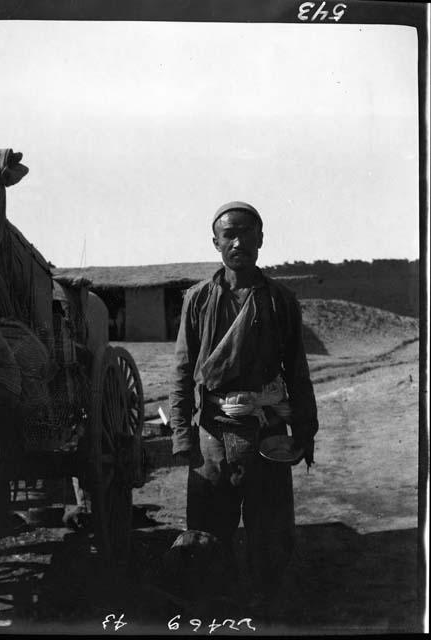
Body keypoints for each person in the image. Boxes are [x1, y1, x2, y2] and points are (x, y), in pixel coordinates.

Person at [169, 201, 318, 613]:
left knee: (269, 530)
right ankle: (215, 604)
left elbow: (298, 373)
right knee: (208, 530)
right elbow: (183, 371)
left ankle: (265, 602)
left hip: (267, 431)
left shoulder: (280, 302)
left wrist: (304, 431)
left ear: (261, 240)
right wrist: (184, 435)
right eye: (228, 235)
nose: (238, 242)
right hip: (213, 432)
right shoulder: (198, 300)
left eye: (247, 234)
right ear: (215, 242)